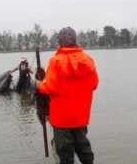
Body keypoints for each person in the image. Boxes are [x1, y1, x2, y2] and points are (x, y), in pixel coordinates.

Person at [36, 27, 99, 164]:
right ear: (74, 40)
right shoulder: (88, 60)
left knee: (65, 152)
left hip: (61, 117)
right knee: (83, 147)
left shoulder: (56, 61)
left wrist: (39, 85)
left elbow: (51, 87)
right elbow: (94, 84)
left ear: (61, 41)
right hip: (81, 116)